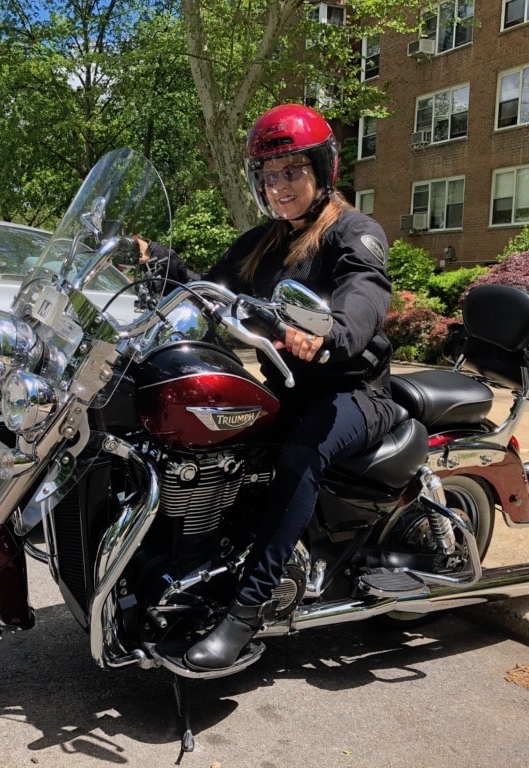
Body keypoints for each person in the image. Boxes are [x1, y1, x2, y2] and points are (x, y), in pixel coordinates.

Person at [138, 103, 396, 671]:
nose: (280, 186)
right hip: (294, 387)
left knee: (303, 453)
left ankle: (246, 611)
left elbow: (366, 292)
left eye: (292, 171)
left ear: (322, 170)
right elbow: (207, 288)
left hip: (355, 390)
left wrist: (333, 335)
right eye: (270, 175)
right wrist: (154, 260)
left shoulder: (354, 232)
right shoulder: (262, 242)